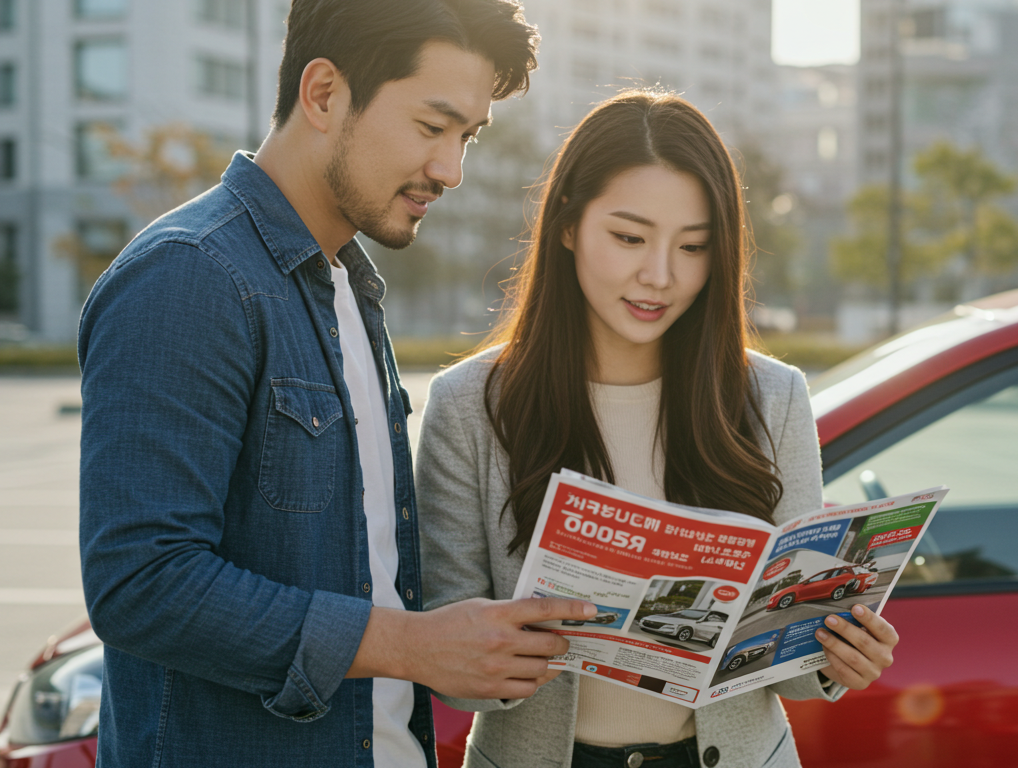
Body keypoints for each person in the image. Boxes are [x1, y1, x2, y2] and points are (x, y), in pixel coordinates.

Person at [77, 2, 594, 766]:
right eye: (431, 126)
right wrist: (411, 645)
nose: (450, 170)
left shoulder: (347, 285)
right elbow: (142, 583)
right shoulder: (192, 276)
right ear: (323, 95)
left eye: (467, 137)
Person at [415, 90, 902, 768]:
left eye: (694, 246)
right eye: (629, 237)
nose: (660, 275)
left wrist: (836, 656)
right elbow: (450, 654)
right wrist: (524, 644)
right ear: (566, 225)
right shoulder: (469, 404)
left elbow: (786, 668)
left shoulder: (774, 396)